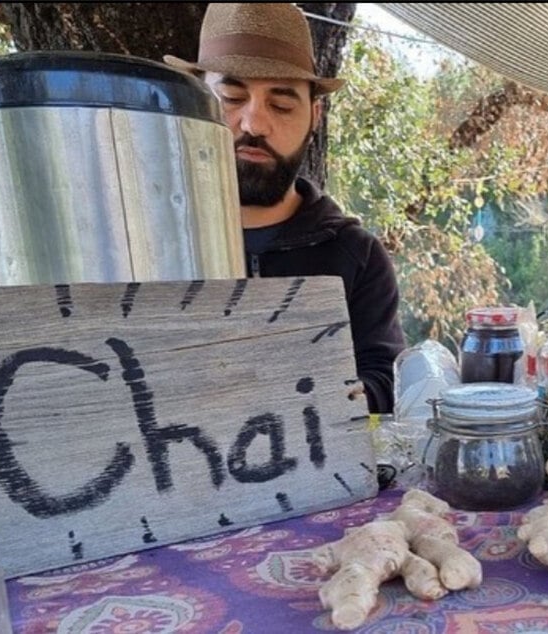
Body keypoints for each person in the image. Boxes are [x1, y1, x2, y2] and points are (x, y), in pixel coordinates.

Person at [165, 3, 406, 413]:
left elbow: (387, 377)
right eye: (231, 97)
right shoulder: (145, 242)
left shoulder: (357, 256)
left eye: (281, 105)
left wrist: (330, 397)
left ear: (314, 115)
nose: (254, 124)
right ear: (192, 102)